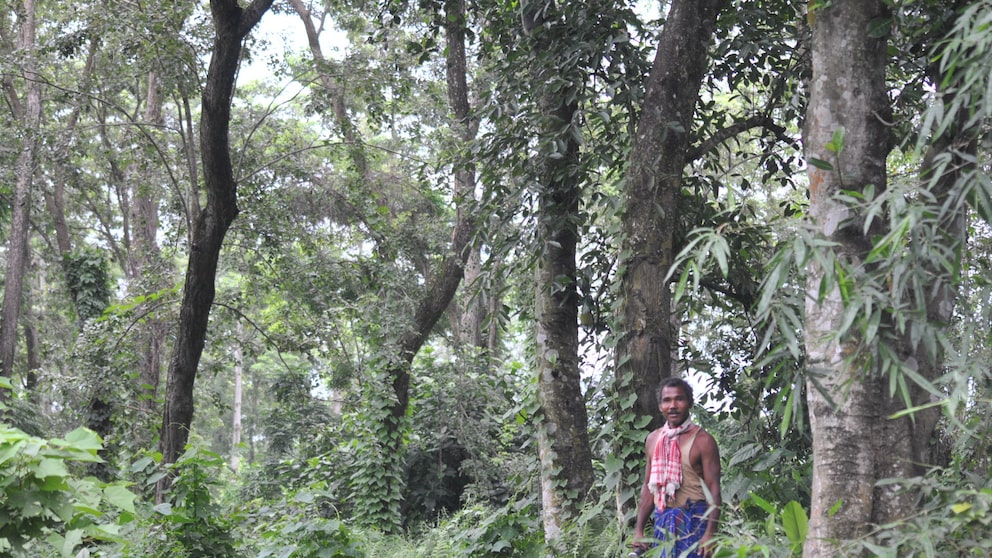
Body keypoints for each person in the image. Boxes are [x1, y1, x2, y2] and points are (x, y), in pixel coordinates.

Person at [630, 377, 721, 558]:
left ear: (690, 403)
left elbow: (715, 491)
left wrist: (710, 534)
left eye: (679, 399)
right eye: (667, 400)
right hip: (663, 521)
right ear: (660, 406)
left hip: (695, 520)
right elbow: (649, 488)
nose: (673, 405)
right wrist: (639, 530)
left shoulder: (703, 441)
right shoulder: (654, 439)